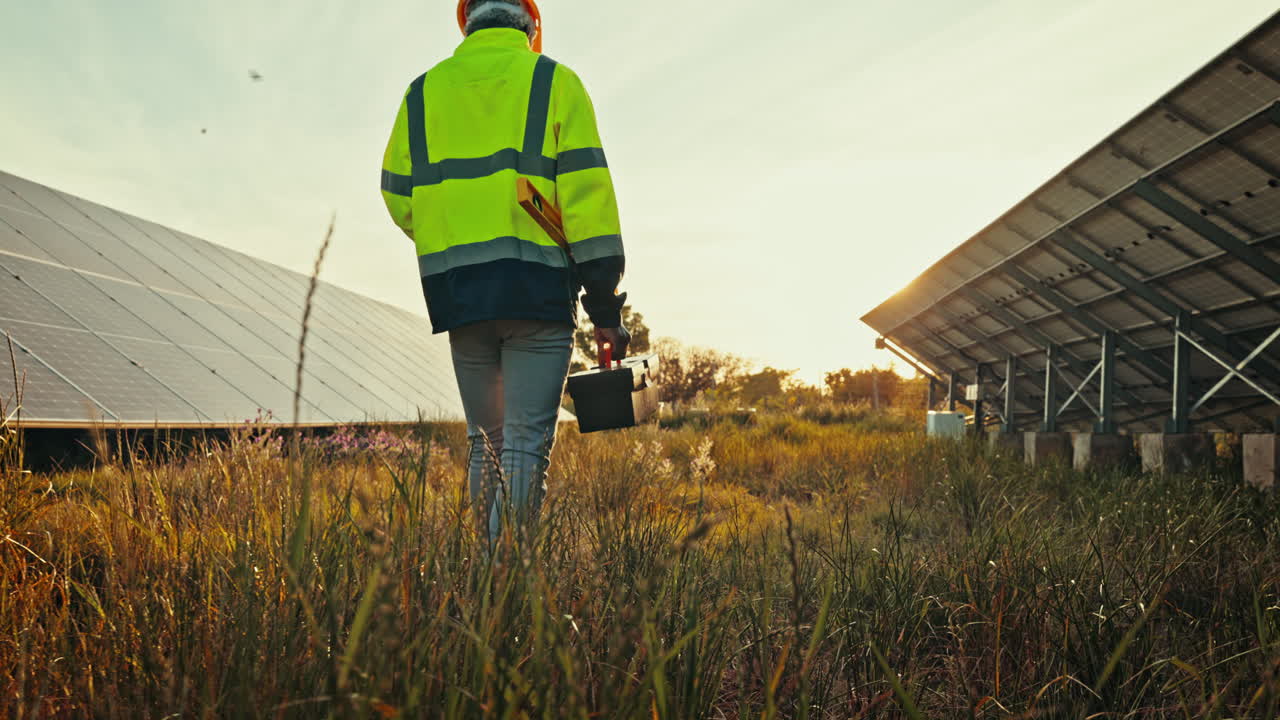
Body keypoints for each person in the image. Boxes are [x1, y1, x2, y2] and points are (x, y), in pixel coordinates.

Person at [380, 0, 630, 539]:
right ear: (531, 24)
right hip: (536, 290)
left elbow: (399, 195)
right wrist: (604, 303)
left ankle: (480, 579)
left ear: (467, 21)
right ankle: (502, 588)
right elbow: (589, 200)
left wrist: (450, 241)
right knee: (521, 446)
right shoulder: (554, 81)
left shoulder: (422, 92)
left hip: (459, 295)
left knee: (485, 441)